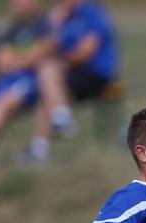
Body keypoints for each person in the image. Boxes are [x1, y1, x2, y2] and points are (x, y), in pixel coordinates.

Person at [27, 0, 119, 161]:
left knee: (48, 74)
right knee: (47, 84)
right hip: (74, 72)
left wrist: (62, 65)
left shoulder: (92, 12)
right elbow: (47, 49)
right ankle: (45, 142)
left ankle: (59, 123)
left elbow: (86, 51)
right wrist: (53, 26)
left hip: (96, 74)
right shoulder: (62, 19)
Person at [0, 0, 52, 153]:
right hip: (11, 78)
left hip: (35, 79)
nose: (20, 5)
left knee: (8, 100)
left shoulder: (46, 24)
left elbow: (43, 51)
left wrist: (18, 60)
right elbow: (2, 59)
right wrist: (26, 59)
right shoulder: (11, 29)